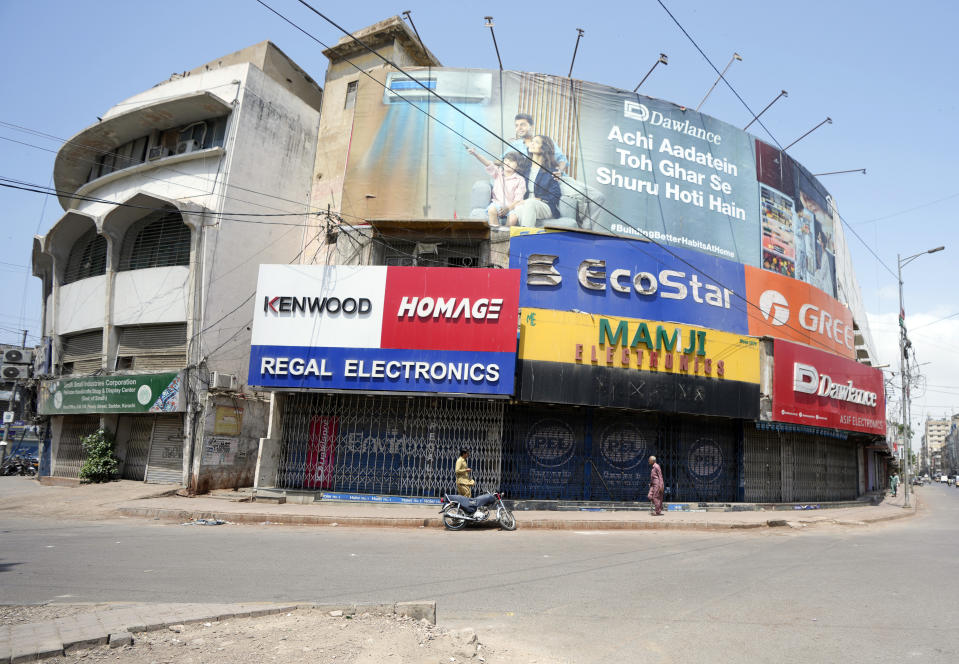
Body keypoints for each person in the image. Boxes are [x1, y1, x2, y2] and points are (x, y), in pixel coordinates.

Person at [465, 147, 528, 226]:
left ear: (518, 165)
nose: (507, 163)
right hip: (497, 204)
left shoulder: (520, 180)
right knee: (491, 210)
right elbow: (487, 163)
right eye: (506, 161)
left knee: (513, 218)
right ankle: (495, 231)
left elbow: (518, 200)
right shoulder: (498, 172)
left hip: (511, 207)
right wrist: (475, 154)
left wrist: (508, 208)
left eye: (511, 162)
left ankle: (505, 234)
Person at [510, 135, 562, 228]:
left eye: (536, 142)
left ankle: (525, 238)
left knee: (529, 204)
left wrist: (536, 199)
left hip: (545, 205)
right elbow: (507, 163)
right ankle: (522, 238)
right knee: (518, 209)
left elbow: (555, 195)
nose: (532, 143)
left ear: (543, 149)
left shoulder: (551, 170)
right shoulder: (525, 165)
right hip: (525, 204)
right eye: (532, 141)